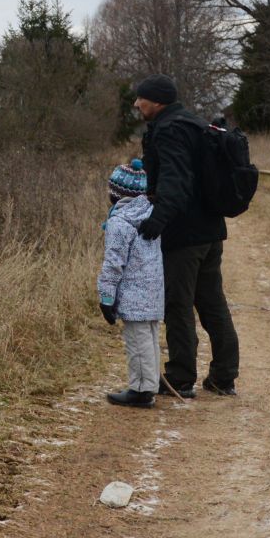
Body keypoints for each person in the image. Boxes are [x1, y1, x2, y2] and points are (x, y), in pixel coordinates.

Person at [132, 74, 239, 398]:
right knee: (212, 304)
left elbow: (174, 183)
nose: (137, 104)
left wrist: (157, 222)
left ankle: (180, 378)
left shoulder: (169, 130)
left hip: (185, 234)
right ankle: (223, 377)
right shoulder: (193, 123)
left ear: (158, 101)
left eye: (142, 98)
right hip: (209, 231)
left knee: (178, 305)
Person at [99, 158, 163, 408]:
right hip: (153, 291)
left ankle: (141, 389)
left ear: (115, 194)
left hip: (134, 292)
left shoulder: (119, 223)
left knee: (137, 341)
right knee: (150, 337)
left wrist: (106, 296)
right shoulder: (151, 215)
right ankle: (150, 383)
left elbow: (113, 264)